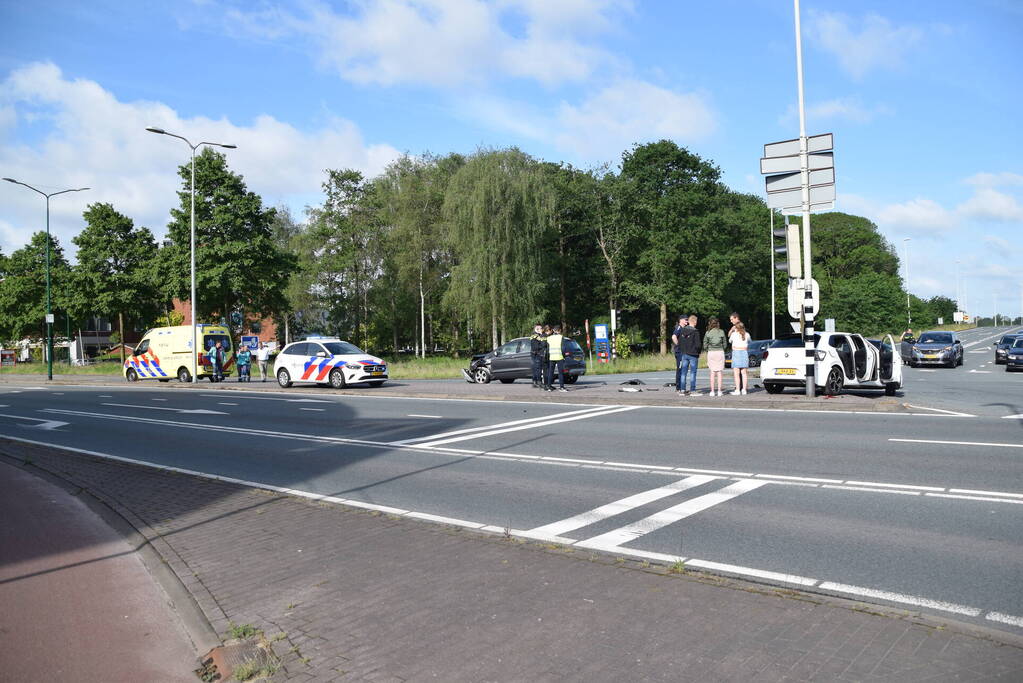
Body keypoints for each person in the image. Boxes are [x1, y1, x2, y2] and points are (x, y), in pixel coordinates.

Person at [677, 314, 702, 396]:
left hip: (684, 354)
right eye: (696, 321)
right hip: (693, 354)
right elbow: (698, 345)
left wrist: (682, 350)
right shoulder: (695, 332)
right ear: (694, 322)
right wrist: (698, 352)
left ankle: (682, 390)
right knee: (692, 373)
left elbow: (679, 342)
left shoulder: (682, 330)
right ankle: (692, 390)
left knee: (683, 372)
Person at [704, 317, 727, 397]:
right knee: (720, 372)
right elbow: (725, 343)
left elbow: (705, 344)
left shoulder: (708, 332)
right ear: (717, 324)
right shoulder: (721, 332)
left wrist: (708, 350)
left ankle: (712, 391)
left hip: (711, 352)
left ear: (710, 324)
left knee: (712, 372)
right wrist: (722, 349)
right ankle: (720, 391)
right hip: (720, 352)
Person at [729, 322, 751, 395]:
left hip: (736, 352)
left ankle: (738, 390)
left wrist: (733, 331)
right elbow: (750, 342)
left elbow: (730, 341)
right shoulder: (747, 334)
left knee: (736, 373)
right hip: (744, 352)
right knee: (744, 373)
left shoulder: (734, 334)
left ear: (736, 328)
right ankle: (744, 390)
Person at [545, 325, 568, 392]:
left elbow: (547, 348)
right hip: (559, 356)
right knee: (560, 372)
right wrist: (564, 356)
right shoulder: (561, 337)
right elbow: (563, 348)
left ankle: (549, 387)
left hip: (552, 357)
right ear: (559, 330)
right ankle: (561, 387)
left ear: (554, 330)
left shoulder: (549, 338)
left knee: (550, 372)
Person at [671, 315, 688, 395]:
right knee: (680, 369)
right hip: (679, 353)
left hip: (683, 352)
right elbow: (674, 337)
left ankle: (682, 387)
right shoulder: (679, 328)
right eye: (685, 320)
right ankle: (678, 388)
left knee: (683, 369)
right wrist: (678, 345)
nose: (687, 321)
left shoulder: (684, 328)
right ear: (681, 320)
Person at [529, 324, 546, 388]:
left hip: (534, 354)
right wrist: (542, 347)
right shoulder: (536, 336)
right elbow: (538, 345)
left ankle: (535, 382)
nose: (542, 329)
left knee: (535, 368)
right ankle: (538, 382)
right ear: (537, 329)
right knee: (538, 368)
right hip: (537, 354)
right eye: (541, 328)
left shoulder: (533, 335)